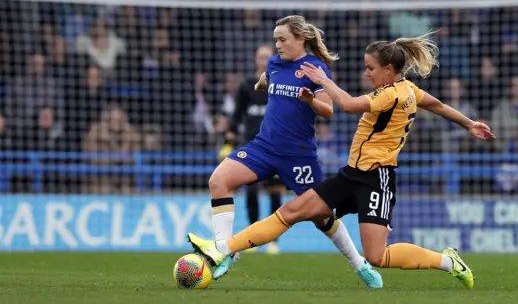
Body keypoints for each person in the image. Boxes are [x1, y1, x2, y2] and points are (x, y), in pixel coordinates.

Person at [188, 33, 495, 289]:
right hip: (351, 175)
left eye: (370, 68)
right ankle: (223, 249)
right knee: (291, 211)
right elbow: (438, 104)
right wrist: (468, 123)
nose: (366, 74)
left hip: (377, 179)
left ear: (389, 70)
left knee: (378, 256)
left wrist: (323, 80)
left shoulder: (390, 95)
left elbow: (347, 104)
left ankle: (447, 261)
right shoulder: (409, 90)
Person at [205, 14, 383, 288]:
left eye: (282, 39)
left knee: (322, 217)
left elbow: (329, 111)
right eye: (275, 39)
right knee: (218, 180)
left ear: (301, 39)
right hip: (263, 147)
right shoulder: (274, 63)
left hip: (298, 156)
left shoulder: (315, 68)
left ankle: (360, 264)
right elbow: (268, 77)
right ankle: (222, 253)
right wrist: (261, 84)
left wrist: (311, 99)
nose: (277, 44)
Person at [230, 44, 285, 254]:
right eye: (260, 57)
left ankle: (273, 240)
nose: (263, 61)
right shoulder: (246, 86)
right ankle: (251, 237)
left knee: (275, 193)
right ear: (255, 59)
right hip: (253, 147)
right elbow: (237, 114)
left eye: (266, 57)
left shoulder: (279, 84)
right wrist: (230, 134)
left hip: (276, 146)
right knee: (251, 191)